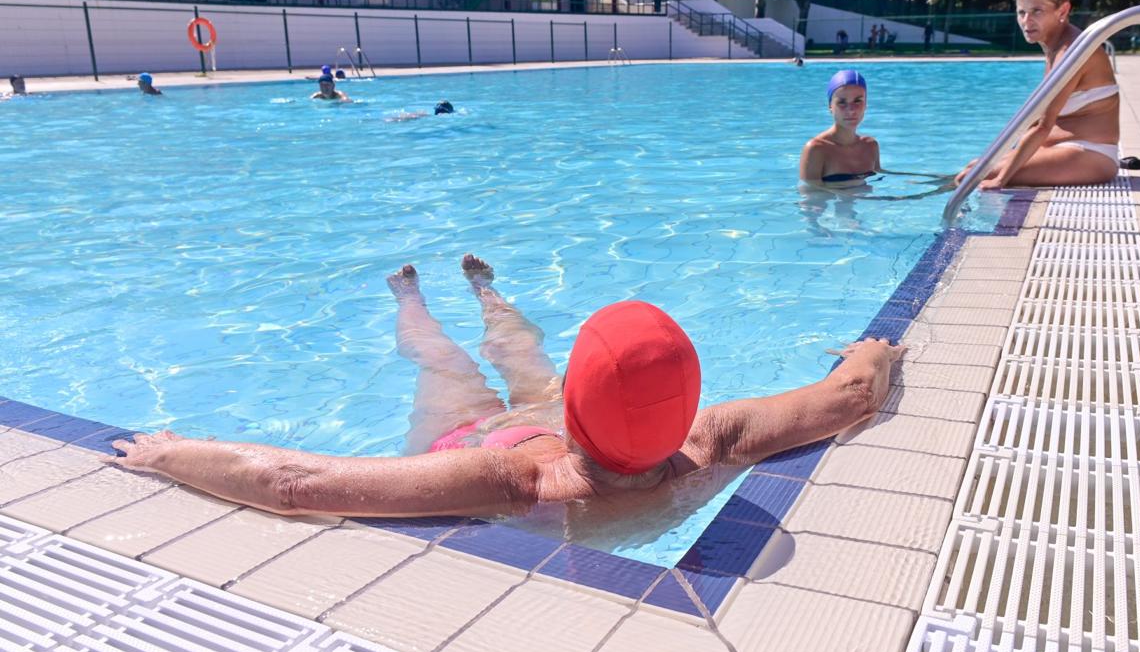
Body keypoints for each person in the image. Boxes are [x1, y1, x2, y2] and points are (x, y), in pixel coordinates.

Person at [106, 254, 903, 520]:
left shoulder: (512, 479)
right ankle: (478, 293)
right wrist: (876, 348)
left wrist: (169, 454)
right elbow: (849, 396)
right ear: (687, 399)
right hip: (560, 425)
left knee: (453, 369)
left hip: (500, 437)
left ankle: (416, 299)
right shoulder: (709, 438)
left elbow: (290, 483)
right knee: (520, 369)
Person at [955, 0, 1119, 190]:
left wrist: (1001, 180)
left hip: (1091, 154)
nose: (1026, 21)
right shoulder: (1054, 46)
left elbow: (1043, 126)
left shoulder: (1072, 52)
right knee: (974, 167)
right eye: (1021, 12)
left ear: (1063, 10)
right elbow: (1032, 121)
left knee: (971, 177)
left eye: (1036, 11)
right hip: (1061, 149)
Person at [799, 70, 880, 188]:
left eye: (857, 101)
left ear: (866, 104)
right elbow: (810, 195)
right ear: (830, 106)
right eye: (842, 102)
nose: (851, 110)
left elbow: (879, 178)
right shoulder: (816, 149)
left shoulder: (870, 146)